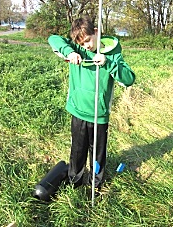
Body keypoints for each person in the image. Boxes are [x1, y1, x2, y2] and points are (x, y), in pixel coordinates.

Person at [48, 16, 135, 191]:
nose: (86, 46)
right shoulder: (75, 47)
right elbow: (53, 39)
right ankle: (75, 181)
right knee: (77, 151)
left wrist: (108, 63)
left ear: (96, 32)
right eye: (82, 43)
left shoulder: (111, 51)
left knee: (97, 154)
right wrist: (70, 52)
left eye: (88, 40)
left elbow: (129, 79)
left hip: (99, 114)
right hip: (78, 110)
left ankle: (95, 184)